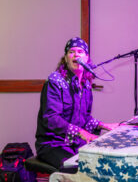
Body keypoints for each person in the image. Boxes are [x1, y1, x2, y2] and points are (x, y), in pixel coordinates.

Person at [35, 37, 118, 171]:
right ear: (66, 58)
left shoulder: (86, 84)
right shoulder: (55, 81)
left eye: (80, 51)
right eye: (71, 52)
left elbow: (84, 117)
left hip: (73, 142)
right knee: (78, 168)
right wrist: (80, 132)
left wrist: (105, 125)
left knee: (102, 161)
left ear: (86, 58)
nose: (76, 55)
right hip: (53, 144)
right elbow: (50, 118)